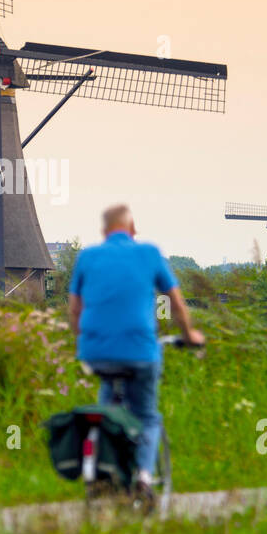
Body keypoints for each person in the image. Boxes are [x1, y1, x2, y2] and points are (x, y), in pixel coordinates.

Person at [68, 204, 204, 500]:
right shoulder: (149, 253)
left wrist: (85, 342)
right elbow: (177, 304)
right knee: (146, 416)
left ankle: (101, 466)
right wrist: (189, 334)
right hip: (140, 352)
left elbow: (74, 310)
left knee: (106, 408)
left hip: (96, 353)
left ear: (104, 232)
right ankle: (143, 477)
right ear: (132, 229)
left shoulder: (87, 257)